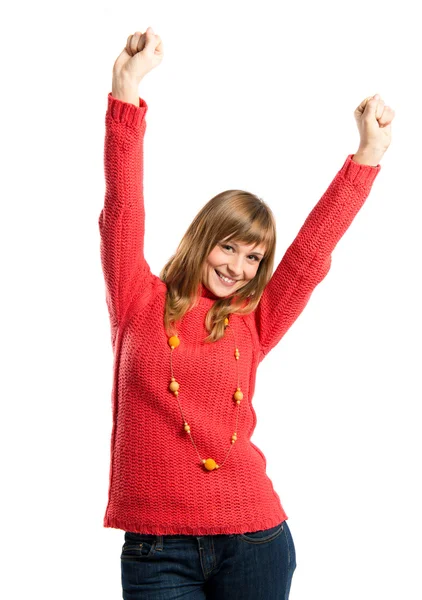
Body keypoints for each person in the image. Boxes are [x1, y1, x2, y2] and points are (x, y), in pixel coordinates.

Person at [99, 26, 395, 600]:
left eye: (254, 256)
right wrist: (125, 91)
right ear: (202, 238)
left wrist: (367, 155)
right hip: (157, 550)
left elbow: (311, 253)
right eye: (228, 246)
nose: (238, 267)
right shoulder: (137, 298)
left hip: (256, 538)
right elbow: (122, 205)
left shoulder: (254, 319)